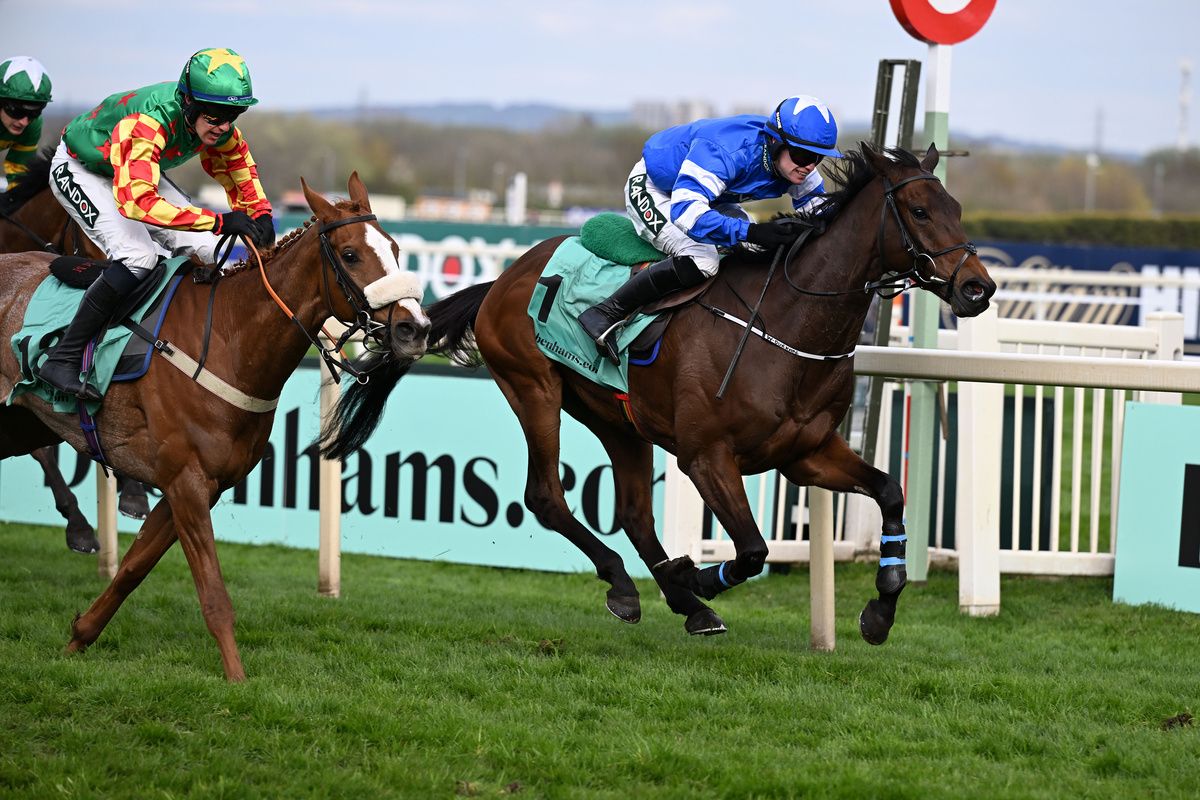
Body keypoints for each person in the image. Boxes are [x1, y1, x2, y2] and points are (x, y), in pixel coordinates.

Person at [39, 48, 276, 400]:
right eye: (215, 116)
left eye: (233, 115)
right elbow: (138, 204)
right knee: (139, 256)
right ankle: (63, 358)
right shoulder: (149, 122)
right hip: (82, 169)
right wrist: (219, 220)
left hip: (130, 168)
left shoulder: (217, 124)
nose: (224, 126)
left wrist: (261, 215)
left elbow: (240, 170)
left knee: (211, 251)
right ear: (188, 103)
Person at [579, 95, 844, 364]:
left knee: (756, 247)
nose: (809, 165)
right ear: (775, 141)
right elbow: (687, 214)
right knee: (703, 259)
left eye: (818, 158)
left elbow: (820, 214)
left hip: (712, 198)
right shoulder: (727, 150)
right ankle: (606, 312)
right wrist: (751, 231)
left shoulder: (797, 165)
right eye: (802, 154)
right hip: (658, 190)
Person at [0, 56, 53, 192]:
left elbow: (18, 173)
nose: (24, 122)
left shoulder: (32, 126)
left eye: (34, 113)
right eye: (17, 111)